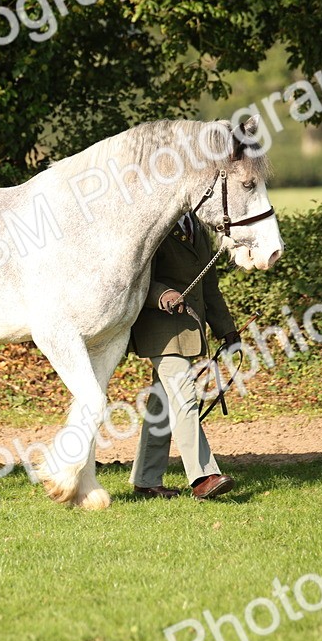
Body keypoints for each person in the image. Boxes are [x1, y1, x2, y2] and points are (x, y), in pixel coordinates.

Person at [128, 211, 241, 500]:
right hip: (160, 330)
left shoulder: (198, 227)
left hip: (189, 329)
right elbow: (135, 275)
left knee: (162, 405)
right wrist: (161, 294)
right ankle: (203, 476)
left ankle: (146, 480)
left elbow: (209, 286)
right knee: (184, 399)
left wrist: (226, 328)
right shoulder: (154, 223)